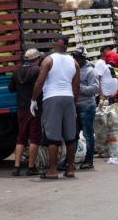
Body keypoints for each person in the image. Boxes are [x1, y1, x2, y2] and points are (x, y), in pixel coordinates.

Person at [31, 38, 79, 179]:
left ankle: (53, 170)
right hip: (68, 98)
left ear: (54, 45)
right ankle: (70, 169)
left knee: (52, 136)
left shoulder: (48, 60)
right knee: (70, 136)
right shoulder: (74, 62)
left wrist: (33, 99)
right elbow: (76, 87)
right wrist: (73, 103)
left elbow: (40, 81)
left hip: (52, 98)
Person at [9, 48, 43, 176]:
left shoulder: (16, 71)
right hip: (34, 108)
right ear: (36, 59)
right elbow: (41, 85)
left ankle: (16, 166)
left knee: (21, 136)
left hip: (21, 108)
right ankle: (31, 166)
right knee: (34, 137)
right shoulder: (38, 71)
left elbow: (11, 88)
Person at [72, 48, 98, 170]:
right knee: (73, 134)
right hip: (75, 107)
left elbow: (94, 89)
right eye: (74, 57)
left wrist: (79, 87)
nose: (74, 59)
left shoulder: (90, 71)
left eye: (76, 57)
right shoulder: (72, 69)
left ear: (83, 58)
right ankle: (69, 161)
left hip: (87, 107)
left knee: (88, 135)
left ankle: (89, 160)